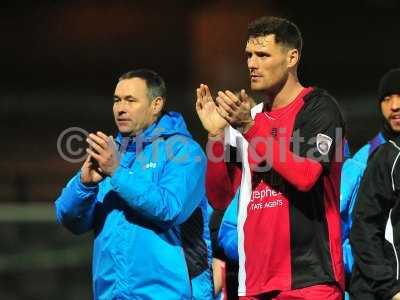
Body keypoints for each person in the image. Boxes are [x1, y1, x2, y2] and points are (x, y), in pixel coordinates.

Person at [196, 16, 345, 299]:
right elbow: (220, 196)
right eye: (249, 55)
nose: (252, 63)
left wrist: (251, 130)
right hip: (254, 281)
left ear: (292, 57)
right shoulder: (248, 118)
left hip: (310, 279)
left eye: (263, 55)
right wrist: (216, 135)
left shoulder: (319, 108)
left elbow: (306, 176)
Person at [55, 69, 213, 299]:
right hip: (111, 293)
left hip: (167, 294)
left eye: (130, 100)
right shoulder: (111, 153)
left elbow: (170, 209)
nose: (120, 108)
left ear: (156, 104)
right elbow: (69, 219)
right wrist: (84, 184)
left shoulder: (184, 151)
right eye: (117, 100)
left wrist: (118, 173)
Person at [340, 70, 400, 298]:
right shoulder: (363, 160)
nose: (394, 105)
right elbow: (346, 230)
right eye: (386, 98)